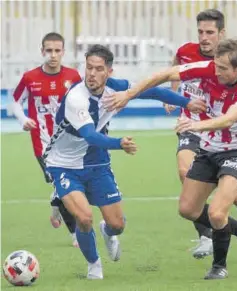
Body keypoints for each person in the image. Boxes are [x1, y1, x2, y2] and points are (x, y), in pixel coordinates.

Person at [44, 44, 206, 279]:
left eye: (98, 69)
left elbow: (153, 91)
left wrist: (186, 103)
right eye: (88, 67)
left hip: (96, 162)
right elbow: (90, 135)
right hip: (64, 164)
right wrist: (119, 143)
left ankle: (108, 232)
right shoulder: (76, 97)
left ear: (109, 71)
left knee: (117, 224)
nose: (91, 73)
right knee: (84, 217)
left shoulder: (115, 87)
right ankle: (94, 265)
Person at [103, 38, 237, 279]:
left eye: (223, 69)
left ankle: (219, 267)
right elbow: (166, 74)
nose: (216, 72)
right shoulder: (210, 68)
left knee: (218, 213)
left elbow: (230, 119)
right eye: (216, 66)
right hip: (210, 149)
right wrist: (129, 94)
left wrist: (196, 125)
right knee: (187, 209)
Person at [163, 8, 237, 259]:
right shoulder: (187, 52)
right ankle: (207, 234)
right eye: (200, 32)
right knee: (186, 174)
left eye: (209, 32)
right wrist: (173, 96)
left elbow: (234, 114)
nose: (204, 37)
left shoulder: (232, 66)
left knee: (232, 196)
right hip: (192, 125)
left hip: (224, 134)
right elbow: (173, 67)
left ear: (221, 34)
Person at [11, 32, 82, 247]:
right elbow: (15, 102)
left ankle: (55, 203)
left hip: (69, 142)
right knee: (63, 186)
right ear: (42, 51)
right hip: (43, 144)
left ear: (63, 52)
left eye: (57, 51)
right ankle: (75, 234)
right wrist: (23, 118)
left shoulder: (73, 77)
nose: (53, 55)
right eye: (49, 50)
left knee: (68, 185)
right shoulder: (30, 78)